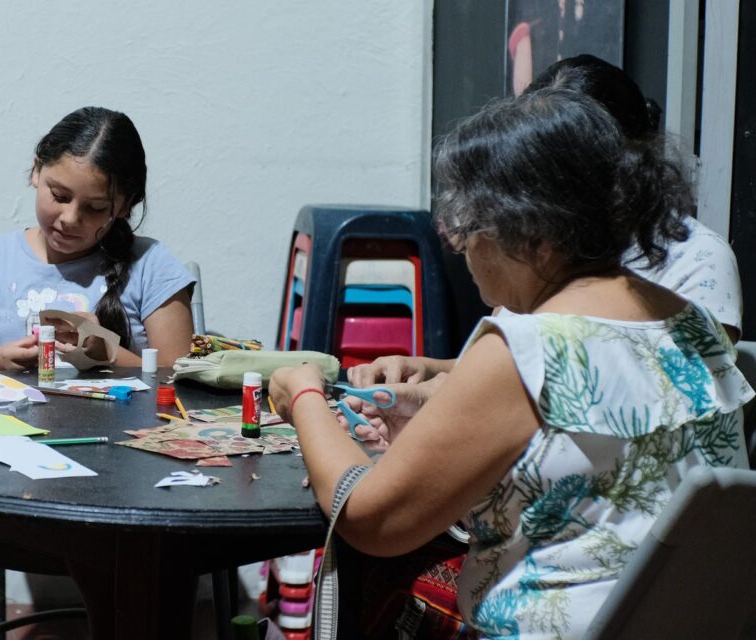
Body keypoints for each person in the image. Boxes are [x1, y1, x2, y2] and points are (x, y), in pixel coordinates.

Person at [270, 88, 751, 638]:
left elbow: (371, 519)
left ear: (536, 237)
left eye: (469, 223)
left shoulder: (530, 345)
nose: (459, 244)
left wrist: (303, 394)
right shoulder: (691, 321)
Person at [349, 54, 742, 388]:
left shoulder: (697, 257)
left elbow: (677, 392)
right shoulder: (542, 256)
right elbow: (511, 371)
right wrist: (428, 370)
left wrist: (303, 395)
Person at [0, 106, 196, 375]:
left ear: (125, 206)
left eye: (95, 207)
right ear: (37, 171)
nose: (71, 218)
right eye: (60, 196)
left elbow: (181, 381)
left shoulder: (152, 265)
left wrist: (107, 352)